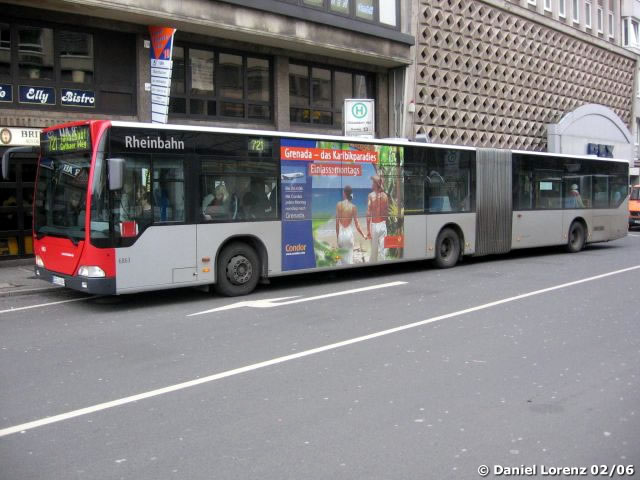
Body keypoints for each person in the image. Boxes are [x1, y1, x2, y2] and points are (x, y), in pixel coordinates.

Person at [336, 185, 365, 265]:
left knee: (340, 258)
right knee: (349, 258)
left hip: (341, 234)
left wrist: (337, 238)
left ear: (344, 193)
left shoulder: (339, 204)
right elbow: (357, 224)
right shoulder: (353, 207)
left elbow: (337, 224)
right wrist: (363, 235)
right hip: (349, 235)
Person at [366, 174, 389, 262]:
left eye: (373, 182)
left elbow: (368, 213)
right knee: (383, 251)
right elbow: (386, 212)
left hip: (375, 226)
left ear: (376, 184)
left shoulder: (371, 196)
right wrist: (384, 224)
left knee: (374, 251)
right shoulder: (385, 196)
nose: (371, 184)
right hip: (383, 225)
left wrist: (368, 230)